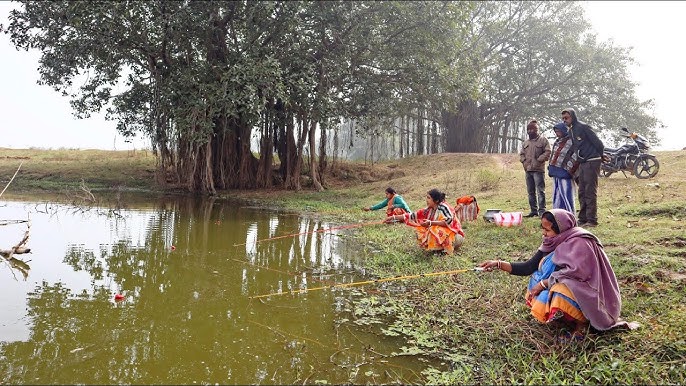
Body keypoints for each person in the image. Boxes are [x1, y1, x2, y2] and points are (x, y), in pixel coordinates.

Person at [479, 209, 638, 342]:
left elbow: (576, 276)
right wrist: (498, 264)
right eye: (543, 228)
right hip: (573, 286)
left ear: (561, 228)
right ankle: (570, 316)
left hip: (593, 294)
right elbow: (529, 266)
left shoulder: (581, 243)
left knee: (559, 289)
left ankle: (582, 327)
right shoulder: (552, 241)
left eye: (547, 230)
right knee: (538, 275)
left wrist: (543, 284)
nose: (544, 233)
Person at [385, 188, 465, 254]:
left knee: (433, 229)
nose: (426, 200)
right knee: (420, 230)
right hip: (442, 234)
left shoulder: (444, 207)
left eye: (429, 198)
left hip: (455, 236)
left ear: (436, 200)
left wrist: (430, 223)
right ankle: (438, 249)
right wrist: (393, 217)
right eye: (426, 197)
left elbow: (448, 222)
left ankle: (445, 248)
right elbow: (411, 215)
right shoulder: (428, 210)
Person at [562, 108, 604, 227]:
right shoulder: (571, 131)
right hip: (583, 162)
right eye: (563, 119)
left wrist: (601, 155)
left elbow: (598, 142)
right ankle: (583, 218)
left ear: (573, 116)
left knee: (590, 190)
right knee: (582, 190)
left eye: (567, 118)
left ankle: (592, 220)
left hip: (592, 160)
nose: (565, 120)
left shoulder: (583, 127)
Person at [519, 120, 551, 218]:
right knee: (530, 192)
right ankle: (533, 211)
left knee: (540, 191)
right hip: (528, 170)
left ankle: (542, 211)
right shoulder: (526, 143)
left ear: (537, 130)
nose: (530, 131)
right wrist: (524, 162)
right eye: (528, 129)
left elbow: (548, 152)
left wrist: (539, 160)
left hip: (538, 170)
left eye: (533, 129)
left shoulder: (543, 140)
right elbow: (521, 154)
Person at [548, 122, 579, 214]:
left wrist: (568, 169)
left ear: (564, 130)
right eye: (556, 131)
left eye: (559, 131)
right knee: (557, 195)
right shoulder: (557, 142)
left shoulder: (571, 141)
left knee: (566, 195)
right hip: (555, 172)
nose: (557, 133)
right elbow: (553, 156)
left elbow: (575, 156)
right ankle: (557, 215)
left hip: (565, 173)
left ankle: (570, 214)